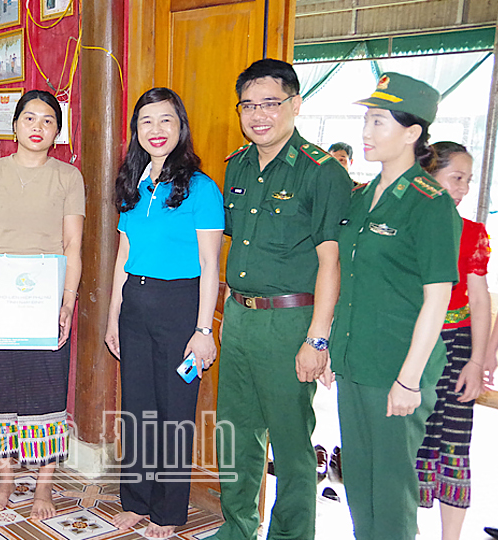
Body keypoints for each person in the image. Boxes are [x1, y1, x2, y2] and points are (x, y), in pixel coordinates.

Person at [214, 59, 352, 540]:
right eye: (248, 105)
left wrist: (318, 339)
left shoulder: (322, 173)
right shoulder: (237, 165)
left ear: (295, 104)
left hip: (292, 322)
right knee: (235, 436)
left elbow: (332, 264)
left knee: (292, 444)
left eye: (270, 104)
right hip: (239, 319)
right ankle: (237, 527)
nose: (258, 115)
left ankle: (291, 535)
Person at [328, 73, 461, 540]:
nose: (366, 132)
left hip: (396, 369)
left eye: (379, 121)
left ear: (412, 133)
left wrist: (408, 379)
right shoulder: (363, 197)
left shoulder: (429, 204)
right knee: (359, 483)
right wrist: (331, 348)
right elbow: (352, 280)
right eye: (366, 119)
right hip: (355, 361)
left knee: (391, 488)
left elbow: (437, 299)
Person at [103, 88, 223, 537]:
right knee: (137, 407)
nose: (156, 130)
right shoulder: (133, 184)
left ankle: (170, 512)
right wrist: (114, 314)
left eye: (165, 120)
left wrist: (203, 329)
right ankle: (135, 500)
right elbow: (124, 253)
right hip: (135, 302)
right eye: (146, 121)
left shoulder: (201, 187)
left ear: (180, 127)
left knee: (174, 411)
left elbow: (211, 264)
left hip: (179, 308)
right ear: (137, 130)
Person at [0, 90, 84, 519]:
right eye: (29, 118)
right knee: (0, 387)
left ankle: (44, 486)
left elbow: (73, 244)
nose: (38, 126)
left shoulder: (68, 178)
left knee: (47, 388)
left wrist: (67, 302)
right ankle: (5, 476)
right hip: (2, 292)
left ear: (57, 131)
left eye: (48, 120)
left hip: (48, 294)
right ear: (14, 125)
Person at [415, 141, 494, 540]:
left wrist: (477, 362)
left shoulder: (473, 234)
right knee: (411, 439)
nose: (463, 189)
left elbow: (479, 301)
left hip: (457, 345)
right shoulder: (406, 229)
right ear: (428, 178)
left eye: (468, 180)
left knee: (454, 440)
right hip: (410, 344)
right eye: (456, 178)